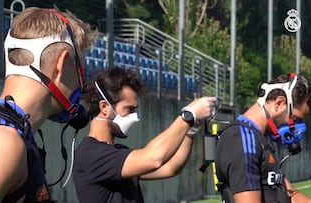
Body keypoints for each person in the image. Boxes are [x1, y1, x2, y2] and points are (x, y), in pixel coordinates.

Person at [0, 7, 97, 202]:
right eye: (80, 70)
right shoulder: (2, 142)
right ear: (62, 64)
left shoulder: (13, 135)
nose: (81, 83)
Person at [72, 67, 218, 203]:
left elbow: (170, 167)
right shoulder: (90, 154)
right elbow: (153, 159)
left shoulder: (116, 152)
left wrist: (189, 132)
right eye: (129, 109)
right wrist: (187, 116)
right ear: (104, 107)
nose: (134, 116)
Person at [215, 73, 311, 203]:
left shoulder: (259, 140)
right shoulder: (243, 139)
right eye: (296, 119)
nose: (296, 128)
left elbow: (295, 199)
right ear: (279, 103)